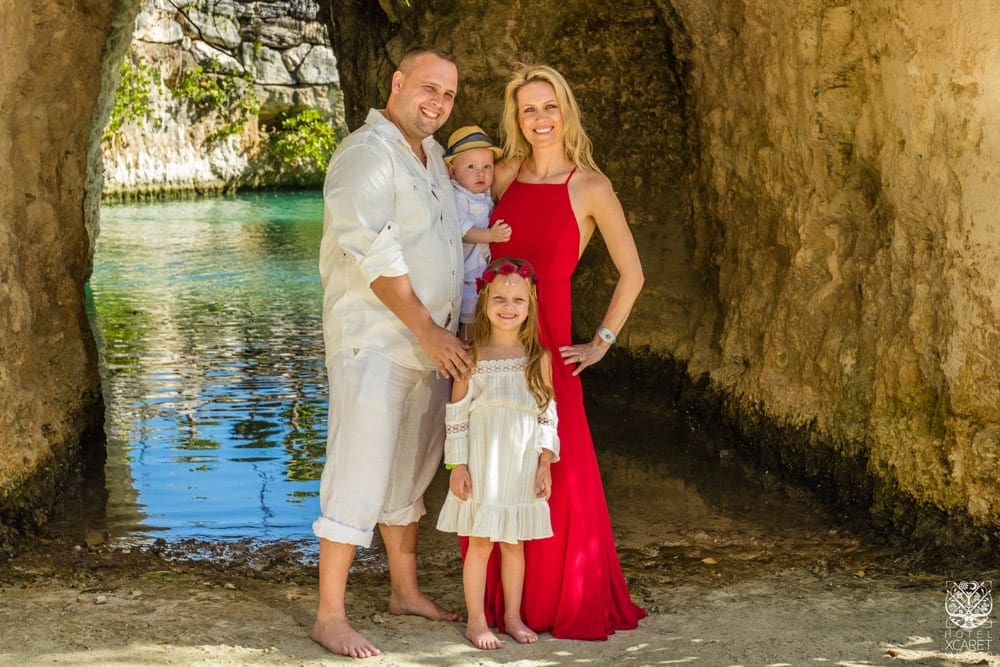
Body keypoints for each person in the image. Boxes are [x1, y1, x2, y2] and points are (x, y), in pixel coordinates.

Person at [312, 45, 471, 659]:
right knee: (357, 471)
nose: (437, 103)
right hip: (374, 342)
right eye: (428, 88)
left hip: (429, 346)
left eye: (449, 95)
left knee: (408, 477)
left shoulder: (431, 156)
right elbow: (373, 252)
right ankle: (330, 615)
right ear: (398, 83)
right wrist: (429, 329)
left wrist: (446, 332)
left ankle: (403, 591)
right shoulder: (364, 154)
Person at [483, 63, 647, 639]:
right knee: (493, 466)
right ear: (517, 118)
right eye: (528, 109)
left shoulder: (591, 187)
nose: (540, 118)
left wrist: (600, 342)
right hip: (493, 347)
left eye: (549, 106)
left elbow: (632, 274)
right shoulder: (501, 176)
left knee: (560, 473)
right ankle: (498, 606)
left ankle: (561, 600)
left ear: (565, 110)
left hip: (553, 352)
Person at [436, 257, 560, 650]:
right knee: (481, 543)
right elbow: (455, 417)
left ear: (531, 304)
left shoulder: (538, 358)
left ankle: (512, 616)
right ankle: (476, 621)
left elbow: (547, 414)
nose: (509, 307)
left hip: (521, 467)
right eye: (500, 298)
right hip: (483, 468)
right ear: (485, 299)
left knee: (514, 544)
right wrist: (457, 466)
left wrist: (545, 463)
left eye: (518, 300)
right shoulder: (471, 357)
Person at [442, 125, 513, 334]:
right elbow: (463, 231)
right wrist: (490, 236)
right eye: (471, 167)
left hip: (481, 269)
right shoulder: (458, 196)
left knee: (482, 315)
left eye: (487, 167)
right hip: (465, 272)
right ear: (452, 172)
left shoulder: (483, 195)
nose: (480, 173)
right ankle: (466, 345)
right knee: (469, 317)